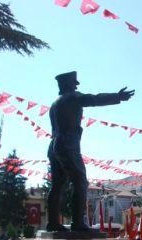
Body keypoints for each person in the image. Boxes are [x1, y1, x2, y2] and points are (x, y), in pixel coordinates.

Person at [47, 71, 135, 231]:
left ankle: (53, 223)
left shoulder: (54, 104)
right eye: (74, 84)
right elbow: (94, 99)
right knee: (80, 181)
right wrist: (118, 97)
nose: (76, 86)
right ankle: (78, 223)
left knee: (57, 185)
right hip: (68, 144)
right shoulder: (73, 97)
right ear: (67, 84)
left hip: (54, 145)